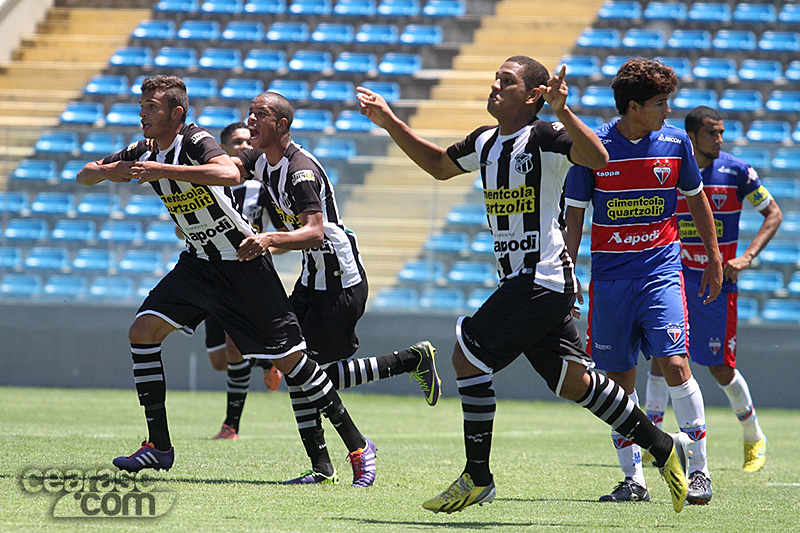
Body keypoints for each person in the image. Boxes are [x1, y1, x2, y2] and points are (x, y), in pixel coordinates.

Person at [358, 55, 693, 514]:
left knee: (466, 354)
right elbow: (438, 165)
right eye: (495, 77)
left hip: (543, 277)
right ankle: (663, 447)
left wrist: (562, 111)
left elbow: (598, 158)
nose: (495, 85)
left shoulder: (544, 135)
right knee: (575, 384)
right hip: (526, 281)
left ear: (534, 94)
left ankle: (477, 477)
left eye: (507, 80)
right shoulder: (486, 141)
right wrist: (390, 121)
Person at [76, 75, 377, 487]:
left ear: (176, 114)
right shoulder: (142, 151)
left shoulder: (196, 140)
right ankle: (159, 447)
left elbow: (227, 173)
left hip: (241, 266)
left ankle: (358, 445)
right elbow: (85, 174)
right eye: (142, 105)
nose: (142, 113)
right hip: (198, 264)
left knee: (294, 365)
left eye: (151, 107)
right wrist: (115, 170)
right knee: (142, 332)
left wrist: (160, 169)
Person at [232, 91, 442, 485]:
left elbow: (313, 233)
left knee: (308, 371)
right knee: (297, 364)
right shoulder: (262, 159)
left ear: (282, 125)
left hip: (339, 282)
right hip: (312, 279)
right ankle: (322, 467)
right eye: (249, 114)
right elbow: (228, 165)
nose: (250, 121)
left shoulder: (300, 171)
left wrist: (267, 240)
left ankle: (401, 374)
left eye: (259, 115)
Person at [564, 58, 723, 506]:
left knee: (675, 365)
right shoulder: (592, 148)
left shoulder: (675, 144)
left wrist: (712, 256)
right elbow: (574, 213)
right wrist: (568, 269)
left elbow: (696, 202)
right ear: (633, 107)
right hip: (611, 281)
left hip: (660, 274)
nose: (668, 111)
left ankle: (700, 471)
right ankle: (634, 479)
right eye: (660, 103)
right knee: (618, 383)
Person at [643, 106, 780, 473]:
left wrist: (747, 257)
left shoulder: (736, 171)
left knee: (720, 368)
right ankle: (650, 441)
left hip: (717, 283)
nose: (719, 139)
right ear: (692, 137)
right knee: (661, 357)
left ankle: (753, 436)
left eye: (721, 132)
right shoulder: (671, 168)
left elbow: (774, 213)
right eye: (712, 133)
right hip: (673, 275)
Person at [202, 122, 283, 442]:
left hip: (246, 274)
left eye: (249, 142)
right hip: (210, 273)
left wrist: (262, 246)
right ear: (221, 149)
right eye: (237, 142)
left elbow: (281, 232)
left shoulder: (261, 187)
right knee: (219, 361)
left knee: (235, 345)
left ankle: (230, 427)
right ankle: (265, 358)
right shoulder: (207, 185)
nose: (244, 147)